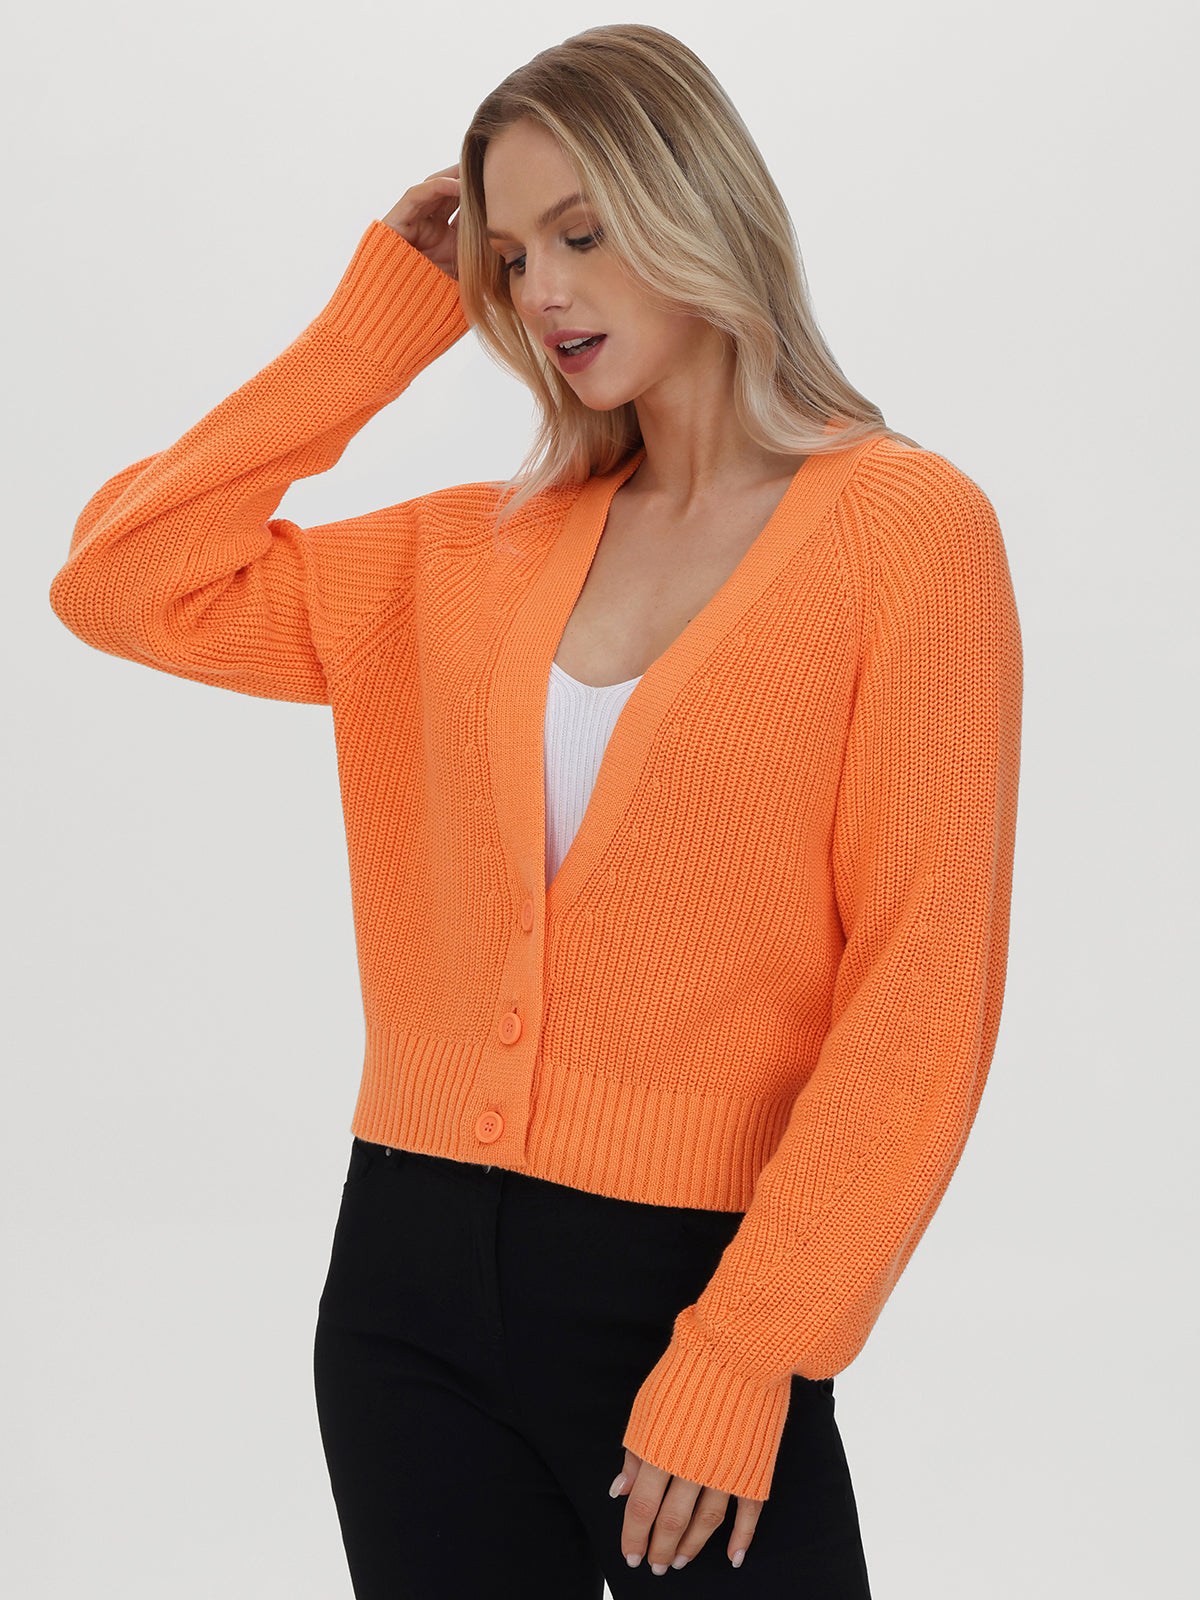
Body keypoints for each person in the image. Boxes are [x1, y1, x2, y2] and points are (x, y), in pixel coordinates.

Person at [48, 22, 1023, 1600]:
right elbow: (120, 584)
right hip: (407, 1290)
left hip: (697, 1285)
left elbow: (923, 987)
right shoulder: (471, 553)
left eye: (582, 233)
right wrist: (375, 328)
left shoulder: (906, 532)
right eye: (506, 259)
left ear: (696, 204)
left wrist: (752, 1348)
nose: (543, 292)